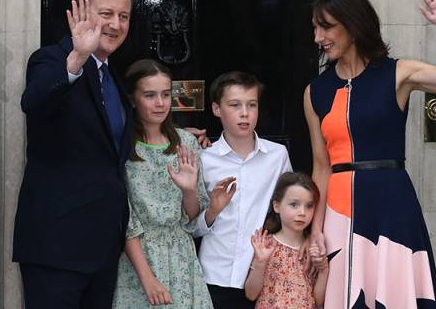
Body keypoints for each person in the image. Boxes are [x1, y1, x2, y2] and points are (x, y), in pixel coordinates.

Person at [13, 0, 208, 309]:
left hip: (104, 251)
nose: (116, 24)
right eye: (106, 14)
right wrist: (75, 58)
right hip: (58, 245)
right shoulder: (51, 60)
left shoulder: (114, 80)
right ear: (82, 12)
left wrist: (177, 135)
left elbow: (116, 139)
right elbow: (35, 103)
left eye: (124, 16)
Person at [304, 0, 436, 309]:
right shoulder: (315, 91)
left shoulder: (398, 73)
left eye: (326, 27)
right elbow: (321, 166)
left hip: (392, 204)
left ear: (353, 25)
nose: (318, 38)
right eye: (315, 28)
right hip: (339, 212)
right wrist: (316, 229)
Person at [112, 59, 213, 308]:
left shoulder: (186, 144)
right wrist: (147, 279)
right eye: (150, 95)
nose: (160, 103)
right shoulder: (122, 148)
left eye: (166, 94)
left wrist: (189, 190)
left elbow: (191, 218)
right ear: (133, 99)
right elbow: (125, 220)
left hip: (181, 257)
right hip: (138, 259)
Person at [194, 71, 293, 309]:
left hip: (262, 273)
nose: (245, 113)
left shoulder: (277, 156)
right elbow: (191, 227)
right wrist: (213, 211)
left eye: (252, 105)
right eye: (235, 105)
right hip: (215, 273)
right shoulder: (204, 159)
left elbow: (289, 210)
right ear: (217, 109)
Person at [244, 171, 328, 309]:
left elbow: (318, 301)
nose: (302, 212)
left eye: (309, 206)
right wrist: (261, 262)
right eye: (294, 205)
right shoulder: (265, 244)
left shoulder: (314, 249)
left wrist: (324, 270)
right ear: (276, 206)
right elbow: (251, 294)